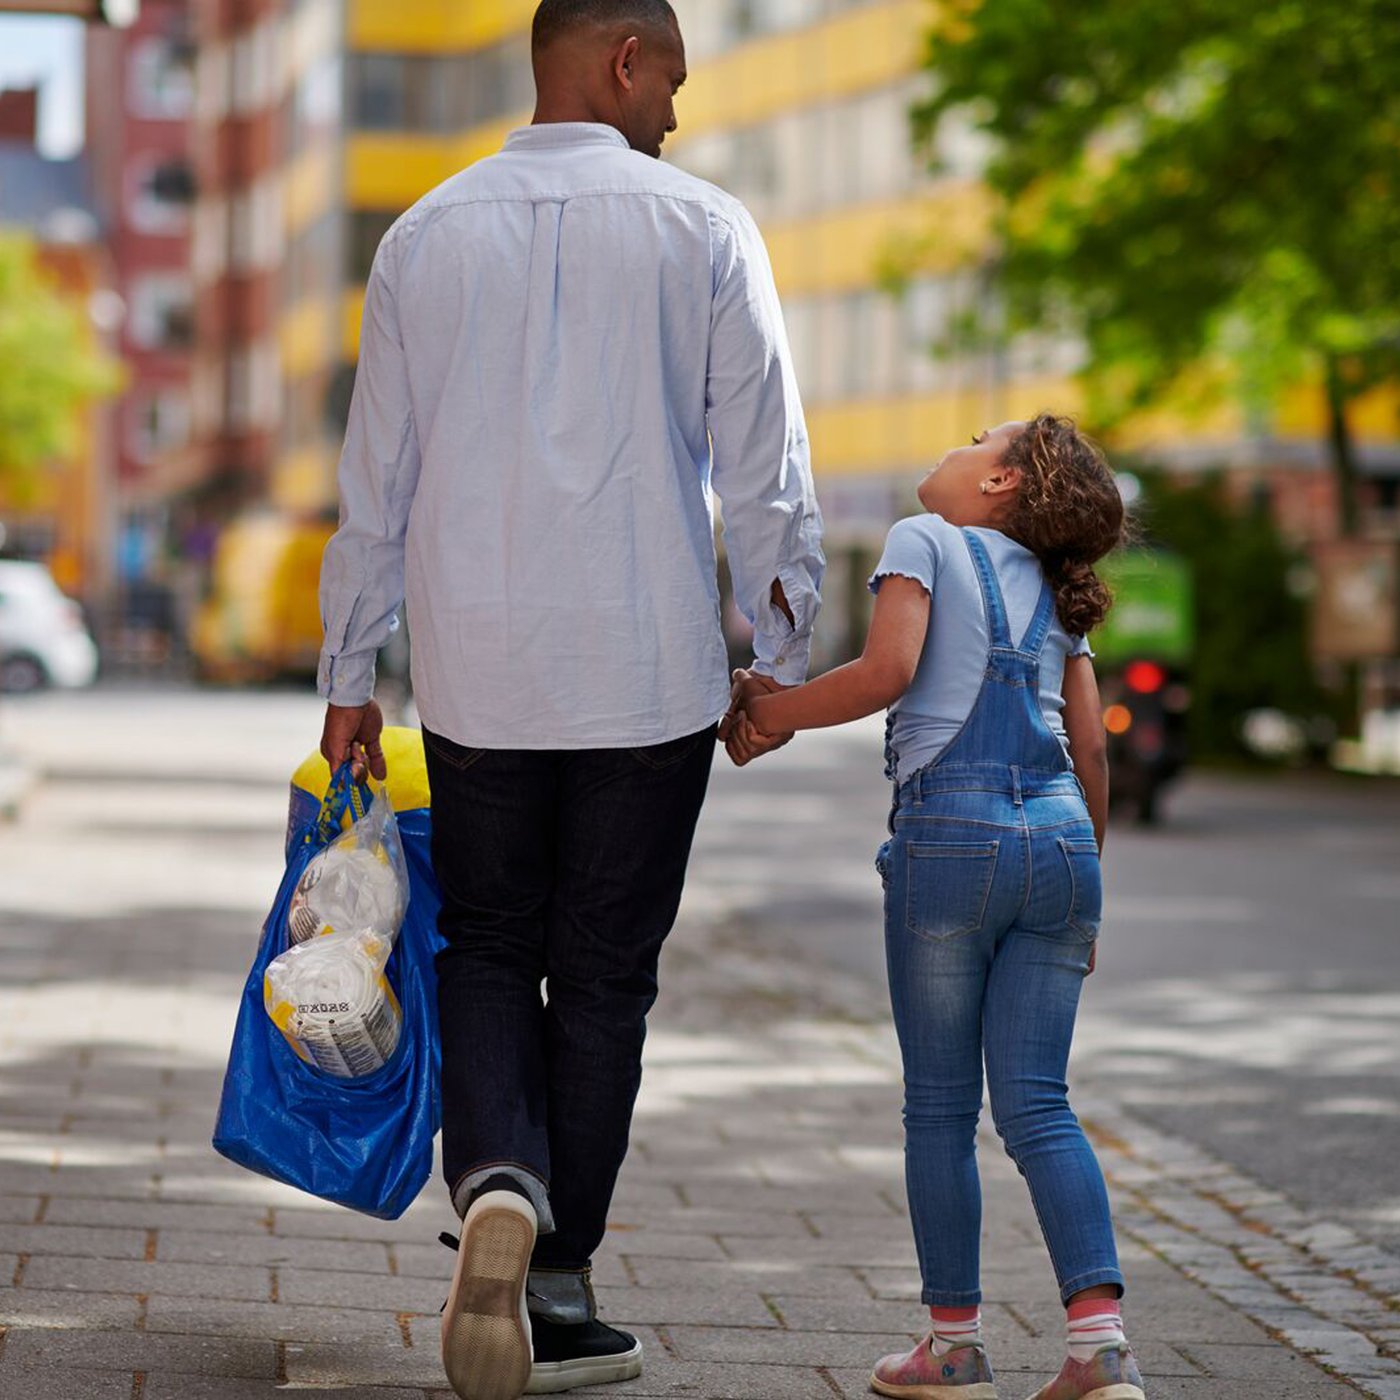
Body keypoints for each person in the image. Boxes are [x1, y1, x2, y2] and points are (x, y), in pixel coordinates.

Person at [315, 2, 823, 1397]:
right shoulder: (706, 229)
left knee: (483, 949)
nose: (678, 110)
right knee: (603, 977)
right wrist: (776, 646)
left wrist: (348, 670)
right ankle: (558, 1275)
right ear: (622, 61)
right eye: (671, 78)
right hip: (648, 674)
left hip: (478, 676)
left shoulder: (421, 236)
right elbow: (764, 465)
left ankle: (495, 1182)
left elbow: (379, 479)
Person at [729, 415, 1145, 1400]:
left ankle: (953, 1347)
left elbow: (888, 672)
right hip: (1060, 847)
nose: (950, 445)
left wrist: (764, 707)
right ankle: (1101, 1349)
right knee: (1040, 1105)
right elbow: (1089, 752)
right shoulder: (1055, 590)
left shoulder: (923, 541)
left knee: (940, 1109)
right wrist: (1083, 891)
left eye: (974, 439)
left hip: (948, 844)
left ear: (998, 480)